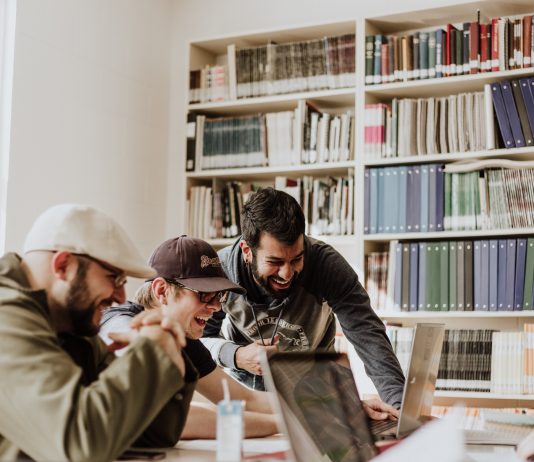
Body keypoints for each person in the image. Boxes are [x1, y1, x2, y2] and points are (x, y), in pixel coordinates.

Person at [0, 204, 196, 462]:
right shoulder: (7, 317)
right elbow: (81, 445)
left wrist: (168, 350)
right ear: (63, 266)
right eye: (114, 278)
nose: (121, 297)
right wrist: (153, 352)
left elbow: (154, 434)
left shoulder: (70, 324)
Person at [202, 187, 405, 409]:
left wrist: (398, 407)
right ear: (247, 250)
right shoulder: (221, 272)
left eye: (296, 259)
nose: (286, 274)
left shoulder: (327, 265)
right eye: (275, 262)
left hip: (317, 395)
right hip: (246, 398)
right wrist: (237, 356)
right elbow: (200, 340)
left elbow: (368, 335)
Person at [100, 235, 278, 439]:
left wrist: (308, 408)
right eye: (205, 294)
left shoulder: (182, 337)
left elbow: (243, 399)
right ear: (162, 290)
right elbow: (169, 416)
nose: (216, 307)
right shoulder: (119, 323)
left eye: (219, 296)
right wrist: (282, 424)